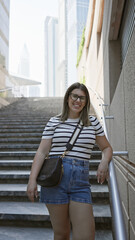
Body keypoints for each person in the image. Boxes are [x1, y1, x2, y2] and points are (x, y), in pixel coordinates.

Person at [27, 82, 113, 240]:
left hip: (80, 182)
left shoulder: (93, 123)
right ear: (68, 98)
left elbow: (106, 148)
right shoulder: (54, 121)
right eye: (75, 96)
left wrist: (104, 162)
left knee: (86, 236)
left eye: (82, 98)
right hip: (55, 181)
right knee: (61, 233)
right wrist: (32, 180)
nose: (78, 100)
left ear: (86, 102)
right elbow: (41, 152)